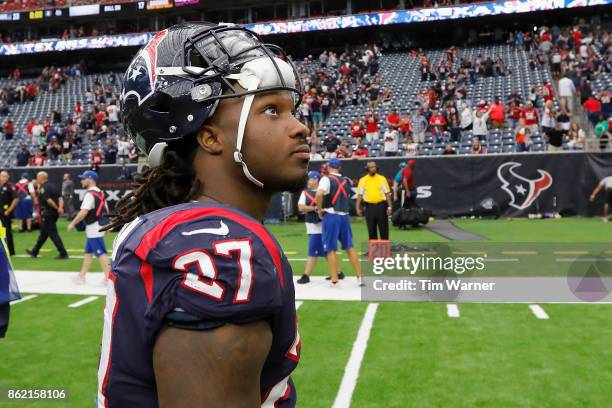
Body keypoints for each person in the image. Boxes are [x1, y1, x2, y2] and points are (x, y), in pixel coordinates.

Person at [97, 23, 306, 407]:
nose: (299, 128)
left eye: (293, 111)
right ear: (210, 137)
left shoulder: (183, 228)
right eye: (271, 110)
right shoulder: (218, 244)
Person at [316, 158, 363, 286]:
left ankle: (334, 280)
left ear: (329, 167)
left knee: (330, 249)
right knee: (349, 247)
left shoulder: (326, 179)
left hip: (331, 215)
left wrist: (319, 209)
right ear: (339, 168)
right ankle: (360, 277)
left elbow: (319, 194)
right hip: (345, 216)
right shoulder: (346, 180)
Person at [67, 170, 110, 285]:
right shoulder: (100, 192)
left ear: (90, 179)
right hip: (97, 226)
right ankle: (82, 276)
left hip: (93, 228)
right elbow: (106, 210)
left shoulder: (89, 194)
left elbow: (83, 212)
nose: (81, 181)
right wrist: (107, 226)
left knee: (101, 253)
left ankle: (108, 278)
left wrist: (73, 223)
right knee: (88, 253)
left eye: (83, 178)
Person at [26, 172, 68, 259]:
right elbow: (60, 198)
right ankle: (34, 252)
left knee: (53, 234)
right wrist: (60, 208)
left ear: (41, 178)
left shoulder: (43, 188)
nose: (37, 180)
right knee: (43, 234)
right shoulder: (53, 186)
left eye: (38, 178)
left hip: (48, 213)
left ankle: (63, 253)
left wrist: (57, 208)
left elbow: (49, 200)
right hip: (53, 214)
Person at [296, 171, 328, 284]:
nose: (308, 181)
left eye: (310, 179)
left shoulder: (323, 192)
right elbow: (301, 207)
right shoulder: (305, 193)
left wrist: (311, 208)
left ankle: (306, 275)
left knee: (313, 251)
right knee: (325, 251)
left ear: (316, 180)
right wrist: (315, 208)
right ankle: (338, 272)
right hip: (310, 225)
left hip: (319, 226)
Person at [356, 162, 392, 240]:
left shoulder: (382, 178)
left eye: (374, 167)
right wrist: (357, 208)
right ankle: (374, 251)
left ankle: (385, 251)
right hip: (369, 208)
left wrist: (389, 207)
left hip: (381, 206)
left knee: (384, 229)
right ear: (367, 169)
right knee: (371, 230)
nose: (373, 169)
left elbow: (387, 193)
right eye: (371, 167)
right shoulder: (363, 180)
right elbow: (359, 195)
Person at [0, 171, 18, 256]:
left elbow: (16, 198)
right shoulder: (1, 187)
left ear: (8, 177)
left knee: (6, 232)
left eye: (5, 176)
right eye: (2, 176)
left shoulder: (10, 186)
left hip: (5, 213)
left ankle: (10, 251)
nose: (4, 178)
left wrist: (9, 210)